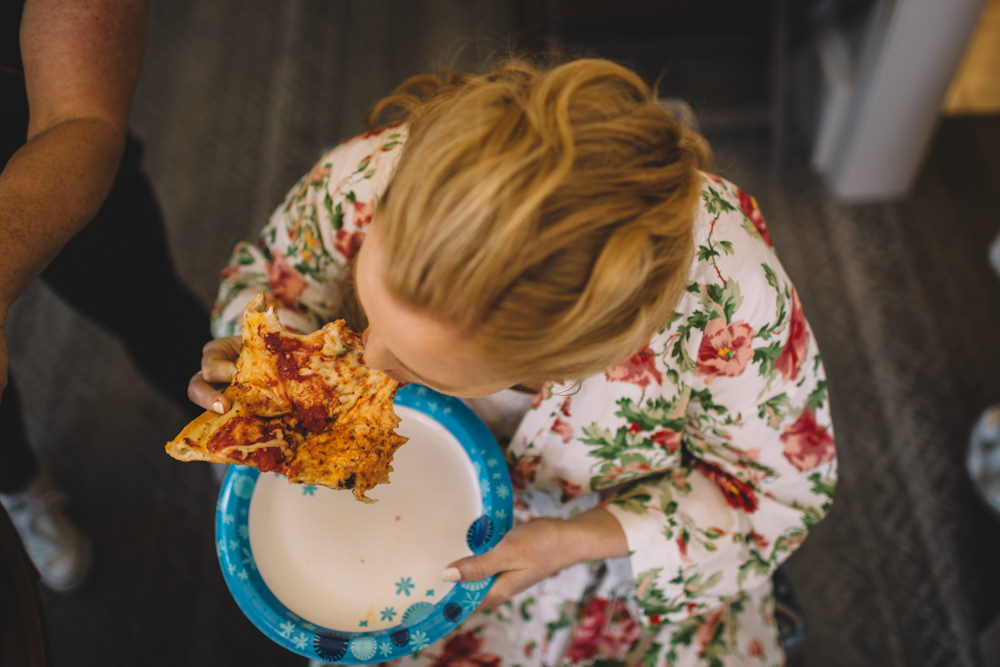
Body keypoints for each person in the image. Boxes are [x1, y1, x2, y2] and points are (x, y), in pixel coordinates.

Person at [189, 57, 837, 665]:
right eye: (368, 309)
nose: (368, 361)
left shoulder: (731, 302)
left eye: (421, 366)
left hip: (613, 552)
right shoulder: (375, 176)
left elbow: (775, 490)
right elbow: (277, 279)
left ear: (572, 360)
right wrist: (264, 361)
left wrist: (571, 540)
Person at [0, 0, 209, 591]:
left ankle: (237, 436)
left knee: (149, 305)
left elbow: (80, 116)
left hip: (44, 133)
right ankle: (19, 485)